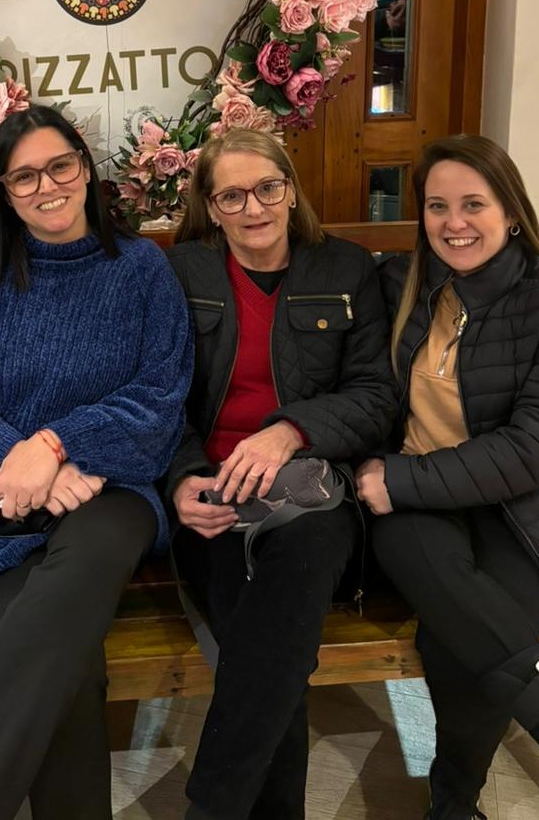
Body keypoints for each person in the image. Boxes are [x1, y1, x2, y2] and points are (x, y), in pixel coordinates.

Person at [0, 104, 192, 820]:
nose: (47, 186)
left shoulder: (140, 268)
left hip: (110, 491)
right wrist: (19, 462)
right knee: (67, 672)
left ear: (85, 169)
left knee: (82, 577)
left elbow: (159, 398)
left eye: (60, 165)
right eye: (24, 176)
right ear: (4, 192)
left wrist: (55, 445)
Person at [165, 127, 396, 820]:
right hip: (213, 492)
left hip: (312, 491)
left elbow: (376, 396)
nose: (254, 207)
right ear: (211, 208)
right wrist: (181, 478)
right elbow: (154, 398)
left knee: (278, 611)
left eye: (267, 187)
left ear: (291, 190)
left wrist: (289, 430)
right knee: (269, 643)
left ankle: (214, 806)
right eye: (231, 196)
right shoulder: (181, 273)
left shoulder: (346, 268)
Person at [355, 134, 539, 820]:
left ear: (511, 211)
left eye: (473, 204)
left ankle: (453, 802)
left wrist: (398, 480)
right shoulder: (401, 283)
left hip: (513, 505)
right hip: (413, 508)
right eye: (437, 206)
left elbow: (537, 445)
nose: (454, 223)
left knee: (472, 630)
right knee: (466, 609)